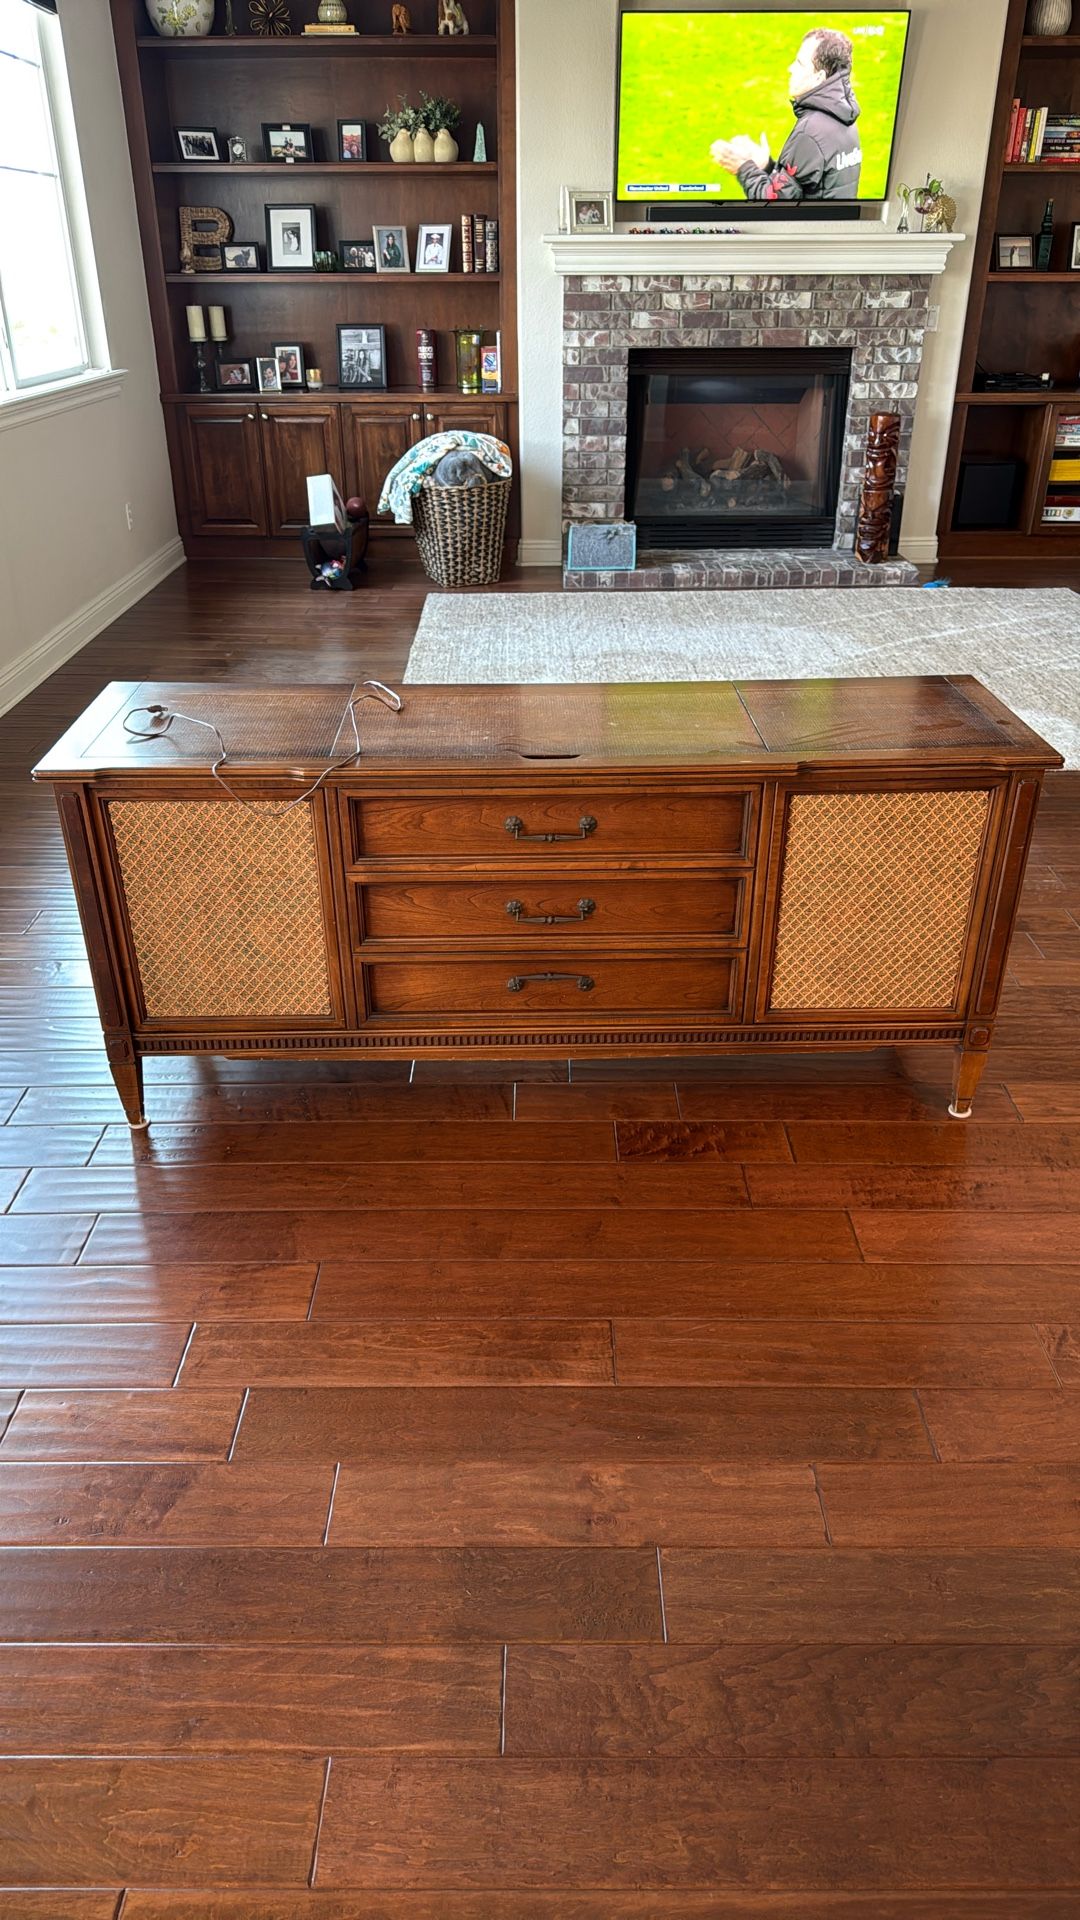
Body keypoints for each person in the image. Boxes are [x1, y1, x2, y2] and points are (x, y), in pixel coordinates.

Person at [711, 27, 862, 204]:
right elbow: (802, 185)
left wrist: (743, 168)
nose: (790, 68)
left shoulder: (810, 133)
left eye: (799, 63)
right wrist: (766, 166)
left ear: (818, 77)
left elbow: (775, 205)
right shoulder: (845, 119)